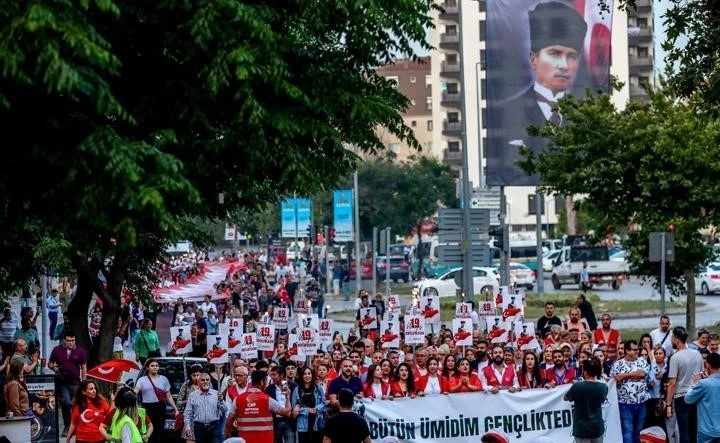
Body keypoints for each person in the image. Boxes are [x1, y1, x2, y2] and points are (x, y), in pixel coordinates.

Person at [487, 0, 589, 183]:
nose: (564, 65)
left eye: (572, 56)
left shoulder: (586, 118)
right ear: (533, 59)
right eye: (555, 54)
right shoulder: (504, 113)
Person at [224, 370, 293, 443]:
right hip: (265, 440)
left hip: (244, 440)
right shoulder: (267, 399)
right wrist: (287, 397)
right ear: (262, 382)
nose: (266, 385)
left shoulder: (237, 399)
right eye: (265, 382)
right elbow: (287, 413)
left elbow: (228, 423)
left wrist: (227, 437)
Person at [665, 327, 703, 443]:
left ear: (676, 339)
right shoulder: (697, 353)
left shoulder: (675, 358)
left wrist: (668, 404)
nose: (671, 340)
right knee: (694, 430)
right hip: (696, 395)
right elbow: (701, 374)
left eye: (672, 338)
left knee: (684, 432)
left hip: (681, 397)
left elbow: (672, 383)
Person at [49, 330, 87, 437]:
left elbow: (84, 367)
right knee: (66, 403)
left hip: (76, 382)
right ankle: (67, 426)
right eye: (68, 340)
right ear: (64, 341)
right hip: (63, 383)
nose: (71, 342)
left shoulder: (80, 351)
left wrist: (84, 382)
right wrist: (54, 367)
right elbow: (50, 363)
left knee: (79, 404)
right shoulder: (57, 350)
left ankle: (80, 426)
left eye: (73, 340)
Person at [565, 358, 609, 443]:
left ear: (585, 372)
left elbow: (566, 398)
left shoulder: (577, 386)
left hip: (581, 429)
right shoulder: (603, 387)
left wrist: (575, 386)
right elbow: (603, 399)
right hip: (597, 427)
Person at [684, 352, 720, 442]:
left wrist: (696, 383)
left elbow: (688, 399)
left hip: (706, 431)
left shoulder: (703, 384)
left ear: (708, 365)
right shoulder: (705, 383)